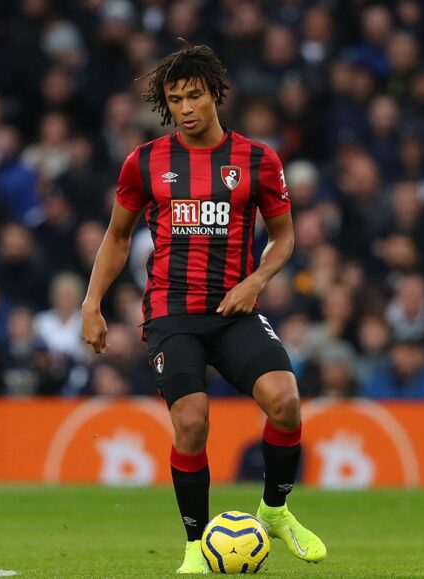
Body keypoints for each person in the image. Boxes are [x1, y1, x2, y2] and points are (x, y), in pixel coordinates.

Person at [80, 42, 326, 573]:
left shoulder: (258, 160)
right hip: (171, 313)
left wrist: (256, 280)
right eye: (176, 99)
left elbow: (284, 239)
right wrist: (91, 303)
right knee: (192, 423)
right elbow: (117, 237)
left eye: (194, 95)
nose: (187, 107)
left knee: (285, 400)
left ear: (215, 93)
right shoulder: (145, 162)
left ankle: (276, 512)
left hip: (233, 308)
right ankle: (195, 546)